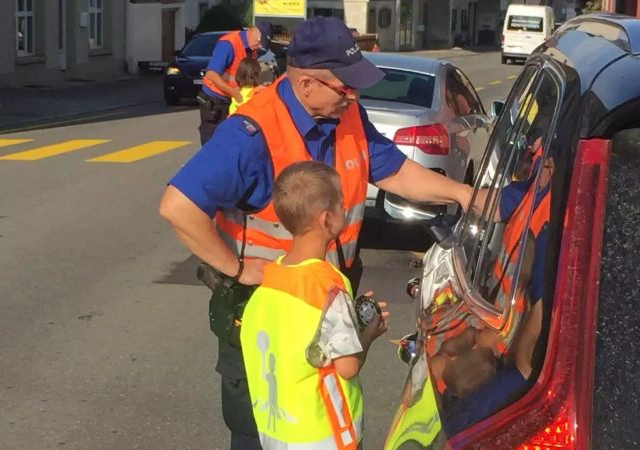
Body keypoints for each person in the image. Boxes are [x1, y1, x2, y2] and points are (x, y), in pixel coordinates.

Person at [159, 16, 473, 450]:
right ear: (306, 85)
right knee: (262, 428)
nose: (354, 97)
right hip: (264, 309)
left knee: (321, 410)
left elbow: (394, 170)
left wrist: (461, 193)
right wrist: (236, 267)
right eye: (346, 88)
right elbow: (178, 206)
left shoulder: (346, 116)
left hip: (324, 300)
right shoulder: (250, 134)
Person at [240, 161, 390, 449]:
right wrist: (367, 335)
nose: (346, 210)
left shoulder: (271, 277)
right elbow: (347, 367)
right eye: (342, 205)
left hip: (277, 433)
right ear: (327, 220)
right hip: (325, 436)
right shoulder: (328, 287)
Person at [198, 22, 274, 145]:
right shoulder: (229, 44)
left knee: (228, 142)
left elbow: (240, 76)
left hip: (230, 100)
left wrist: (255, 88)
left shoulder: (251, 49)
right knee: (213, 143)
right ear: (254, 33)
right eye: (259, 42)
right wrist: (234, 92)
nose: (259, 46)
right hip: (215, 102)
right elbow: (211, 74)